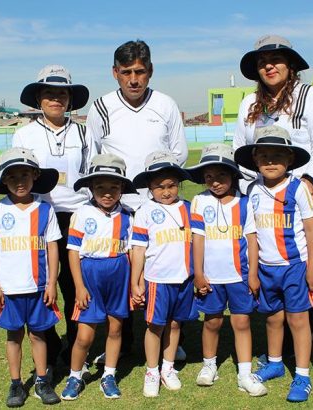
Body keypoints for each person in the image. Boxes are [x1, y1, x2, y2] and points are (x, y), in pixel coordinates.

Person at [234, 34, 313, 388]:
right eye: (263, 60)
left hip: (300, 198)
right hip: (260, 201)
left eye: (277, 59)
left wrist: (310, 181)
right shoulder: (248, 104)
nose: (269, 65)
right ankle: (279, 357)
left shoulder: (308, 96)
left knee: (312, 276)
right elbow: (241, 152)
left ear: (291, 64)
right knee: (268, 275)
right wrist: (249, 192)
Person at [86, 39, 189, 362]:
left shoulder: (166, 105)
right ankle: (122, 342)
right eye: (127, 72)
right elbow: (94, 155)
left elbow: (179, 153)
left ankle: (167, 338)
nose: (134, 79)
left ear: (151, 71)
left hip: (157, 209)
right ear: (115, 73)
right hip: (117, 209)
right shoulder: (101, 107)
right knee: (122, 277)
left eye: (140, 71)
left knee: (161, 272)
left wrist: (161, 198)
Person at [13, 64, 95, 367]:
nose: (56, 99)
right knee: (40, 285)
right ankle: (49, 342)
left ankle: (77, 348)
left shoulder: (85, 133)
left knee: (75, 286)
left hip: (77, 216)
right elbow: (19, 178)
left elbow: (90, 175)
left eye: (62, 93)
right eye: (49, 93)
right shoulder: (24, 134)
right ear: (38, 98)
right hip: (41, 216)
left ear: (70, 99)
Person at [234, 126, 313, 402]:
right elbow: (253, 234)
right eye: (265, 156)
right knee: (272, 318)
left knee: (298, 320)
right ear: (255, 160)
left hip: (295, 266)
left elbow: (311, 228)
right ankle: (274, 362)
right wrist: (254, 272)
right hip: (266, 268)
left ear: (290, 159)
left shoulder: (298, 188)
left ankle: (303, 375)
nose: (271, 162)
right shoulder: (252, 189)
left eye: (278, 156)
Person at [0, 147, 63, 407]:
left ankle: (41, 381)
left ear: (35, 176)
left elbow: (52, 248)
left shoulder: (45, 209)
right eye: (12, 176)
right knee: (13, 336)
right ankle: (16, 384)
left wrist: (51, 283)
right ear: (4, 180)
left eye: (25, 174)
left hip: (38, 288)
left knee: (39, 335)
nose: (19, 181)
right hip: (9, 289)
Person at [187, 143, 267, 397]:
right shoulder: (199, 201)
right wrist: (198, 273)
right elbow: (197, 239)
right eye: (208, 176)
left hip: (239, 276)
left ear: (233, 175)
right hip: (210, 277)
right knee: (212, 322)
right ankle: (209, 365)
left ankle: (244, 373)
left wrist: (253, 274)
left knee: (241, 322)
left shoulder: (244, 204)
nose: (215, 182)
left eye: (221, 175)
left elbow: (252, 241)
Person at [60, 154, 136, 401]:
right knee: (85, 335)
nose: (107, 193)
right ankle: (75, 375)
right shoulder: (82, 213)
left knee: (116, 328)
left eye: (114, 187)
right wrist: (79, 286)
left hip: (119, 275)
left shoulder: (128, 214)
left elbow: (134, 250)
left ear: (122, 188)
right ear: (91, 188)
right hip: (90, 276)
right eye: (100, 187)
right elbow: (72, 252)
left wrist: (136, 281)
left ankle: (109, 375)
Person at [129, 151, 196, 398]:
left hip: (184, 279)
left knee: (176, 323)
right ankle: (152, 371)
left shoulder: (189, 208)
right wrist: (137, 281)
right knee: (155, 325)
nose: (166, 192)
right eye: (159, 187)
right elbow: (138, 249)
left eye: (171, 186)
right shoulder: (145, 211)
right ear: (149, 186)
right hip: (157, 280)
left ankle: (168, 367)